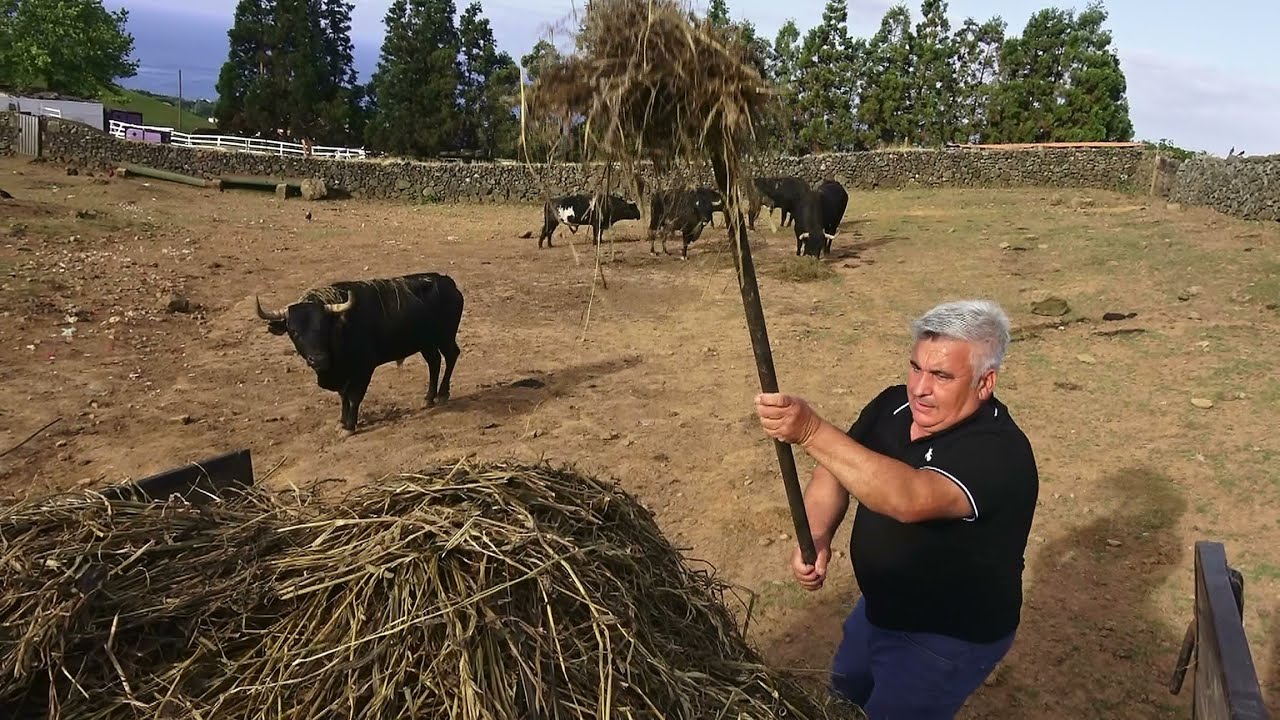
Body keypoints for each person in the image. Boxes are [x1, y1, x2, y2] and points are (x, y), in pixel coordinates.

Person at [753, 299, 1039, 719]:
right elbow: (836, 471)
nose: (920, 388)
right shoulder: (892, 405)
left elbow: (908, 498)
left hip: (946, 639)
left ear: (984, 382)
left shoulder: (999, 451)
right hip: (876, 612)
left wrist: (811, 430)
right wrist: (816, 533)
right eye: (916, 367)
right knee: (843, 697)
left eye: (941, 375)